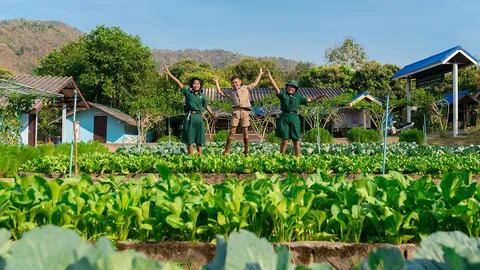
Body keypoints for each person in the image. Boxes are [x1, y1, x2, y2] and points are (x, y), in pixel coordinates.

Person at [265, 69, 325, 156]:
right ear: (287, 87)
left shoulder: (298, 97)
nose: (291, 88)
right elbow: (275, 87)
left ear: (295, 89)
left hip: (295, 118)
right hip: (285, 117)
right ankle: (281, 158)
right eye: (289, 86)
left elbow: (310, 99)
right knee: (285, 140)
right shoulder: (283, 95)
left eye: (293, 87)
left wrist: (320, 96)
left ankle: (298, 158)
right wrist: (269, 76)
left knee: (296, 140)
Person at [162, 66, 214, 155]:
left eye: (198, 84)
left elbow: (206, 106)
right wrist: (169, 73)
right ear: (192, 85)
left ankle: (199, 157)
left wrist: (212, 113)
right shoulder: (188, 93)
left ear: (200, 85)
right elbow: (178, 83)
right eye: (194, 83)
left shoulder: (202, 96)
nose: (196, 85)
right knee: (190, 139)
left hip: (199, 118)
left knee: (199, 139)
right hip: (190, 117)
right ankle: (191, 157)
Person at [213, 68, 264, 155]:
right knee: (232, 131)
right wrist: (217, 82)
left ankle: (246, 150)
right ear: (231, 84)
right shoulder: (230, 92)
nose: (235, 84)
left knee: (245, 131)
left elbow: (255, 83)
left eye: (236, 82)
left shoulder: (246, 88)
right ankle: (226, 149)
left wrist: (260, 74)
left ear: (240, 82)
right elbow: (220, 92)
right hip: (236, 112)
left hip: (245, 112)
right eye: (233, 83)